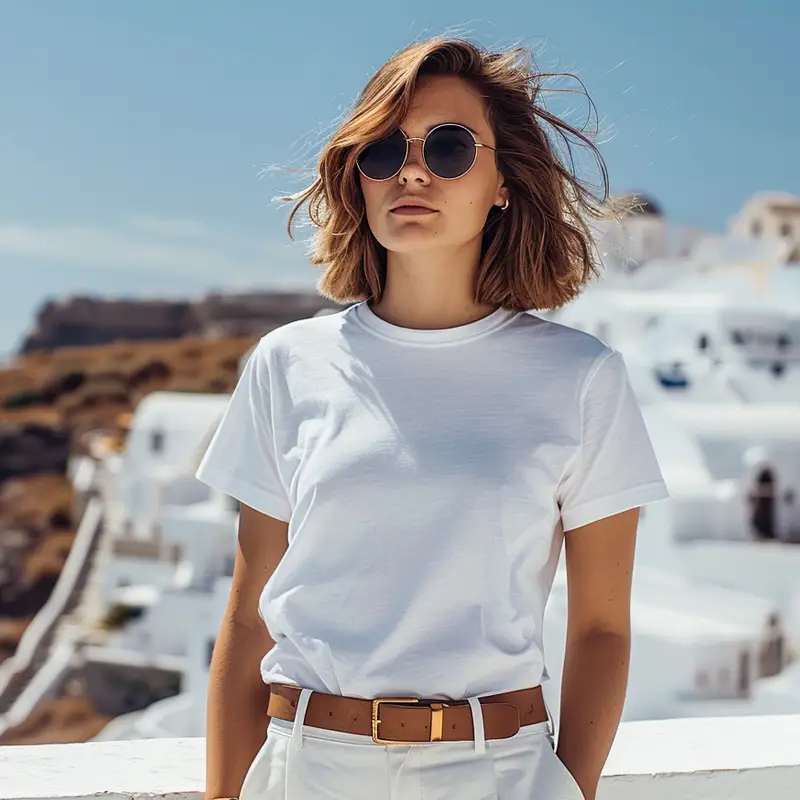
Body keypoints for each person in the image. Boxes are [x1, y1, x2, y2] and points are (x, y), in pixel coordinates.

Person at [196, 36, 669, 800]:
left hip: (497, 772)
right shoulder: (287, 363)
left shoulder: (581, 378)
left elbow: (601, 630)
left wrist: (569, 790)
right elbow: (247, 620)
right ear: (357, 176)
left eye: (448, 148)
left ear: (504, 182)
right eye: (384, 150)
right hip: (305, 769)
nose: (411, 171)